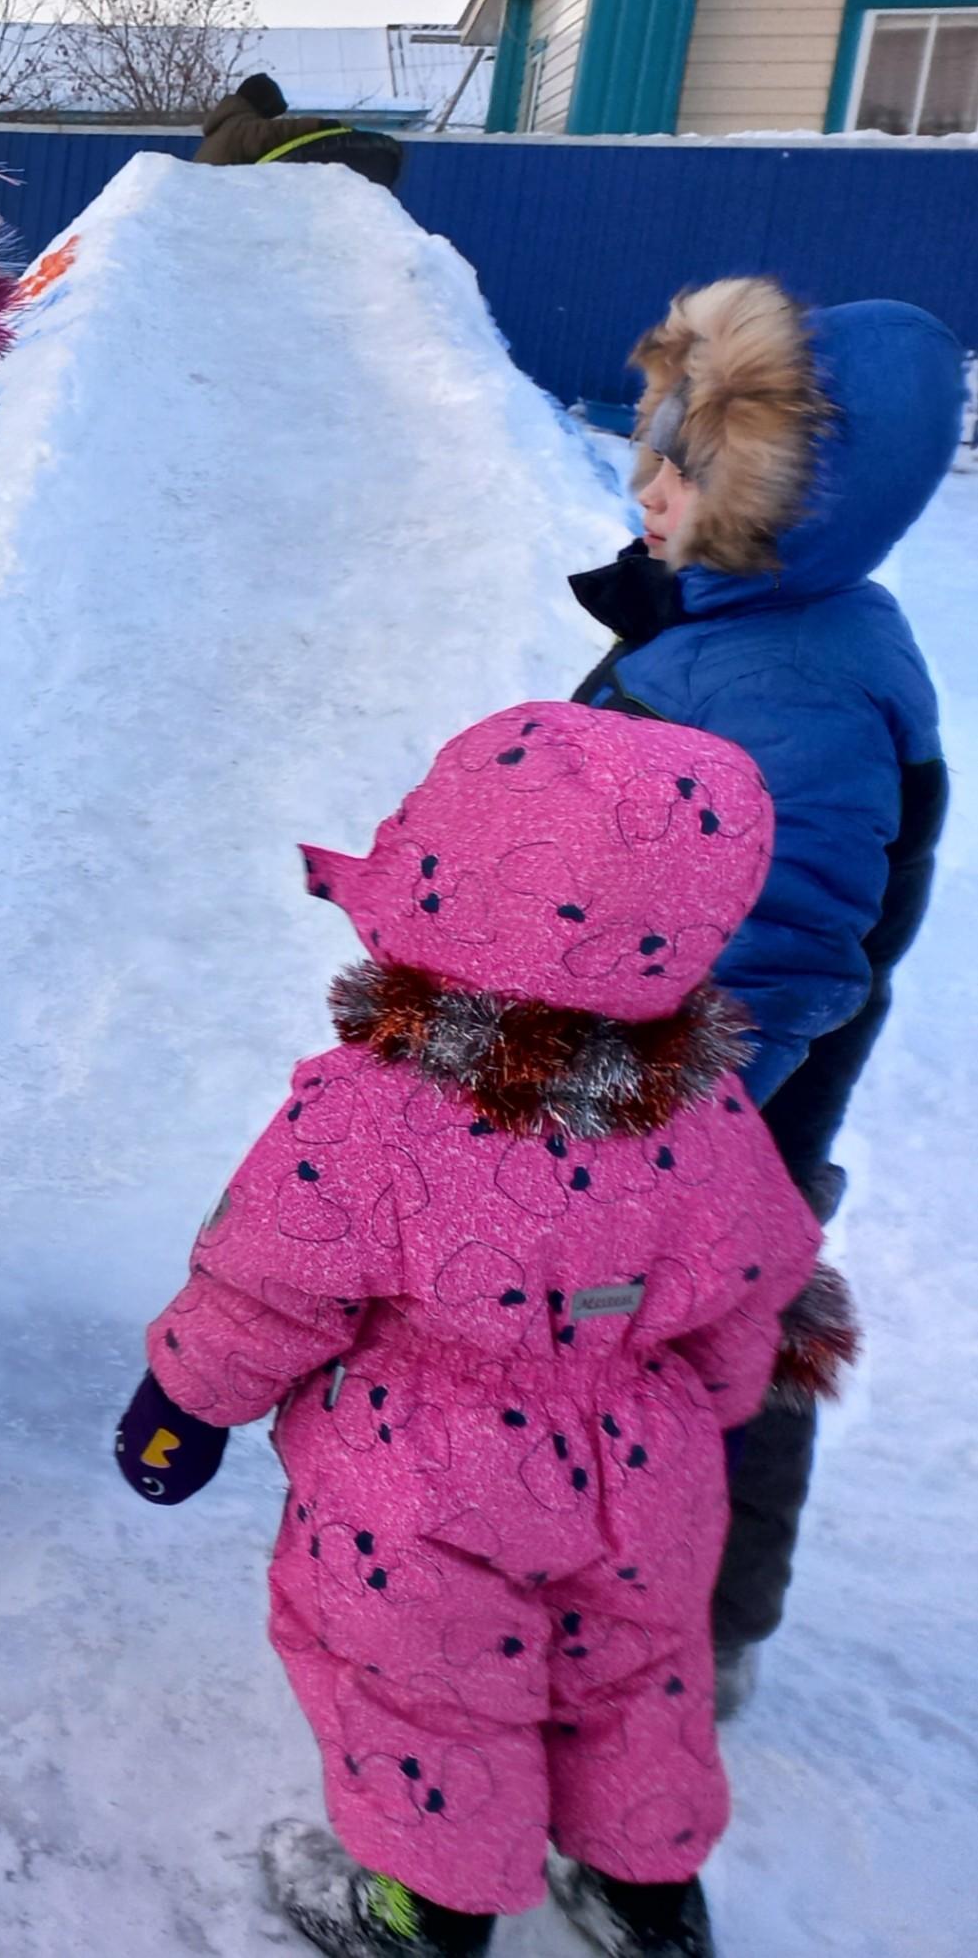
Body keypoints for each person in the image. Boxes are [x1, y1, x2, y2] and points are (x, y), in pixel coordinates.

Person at [117, 702, 840, 1958]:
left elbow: (268, 1283)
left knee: (429, 1702)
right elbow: (755, 1279)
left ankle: (422, 1916)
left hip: (419, 1481)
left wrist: (182, 1401)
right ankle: (646, 1900)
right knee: (635, 1681)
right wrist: (708, 1401)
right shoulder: (706, 1105)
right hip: (646, 1467)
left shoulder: (370, 1112)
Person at [566, 278, 959, 1708]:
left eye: (686, 466)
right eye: (654, 445)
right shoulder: (735, 617)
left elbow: (789, 944)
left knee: (723, 1313)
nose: (645, 481)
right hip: (659, 1047)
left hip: (729, 1079)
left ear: (788, 510)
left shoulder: (797, 680)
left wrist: (659, 1103)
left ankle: (700, 1622)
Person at [195, 71, 407, 188]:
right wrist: (319, 125)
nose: (271, 120)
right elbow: (273, 133)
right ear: (259, 104)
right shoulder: (239, 127)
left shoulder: (226, 125)